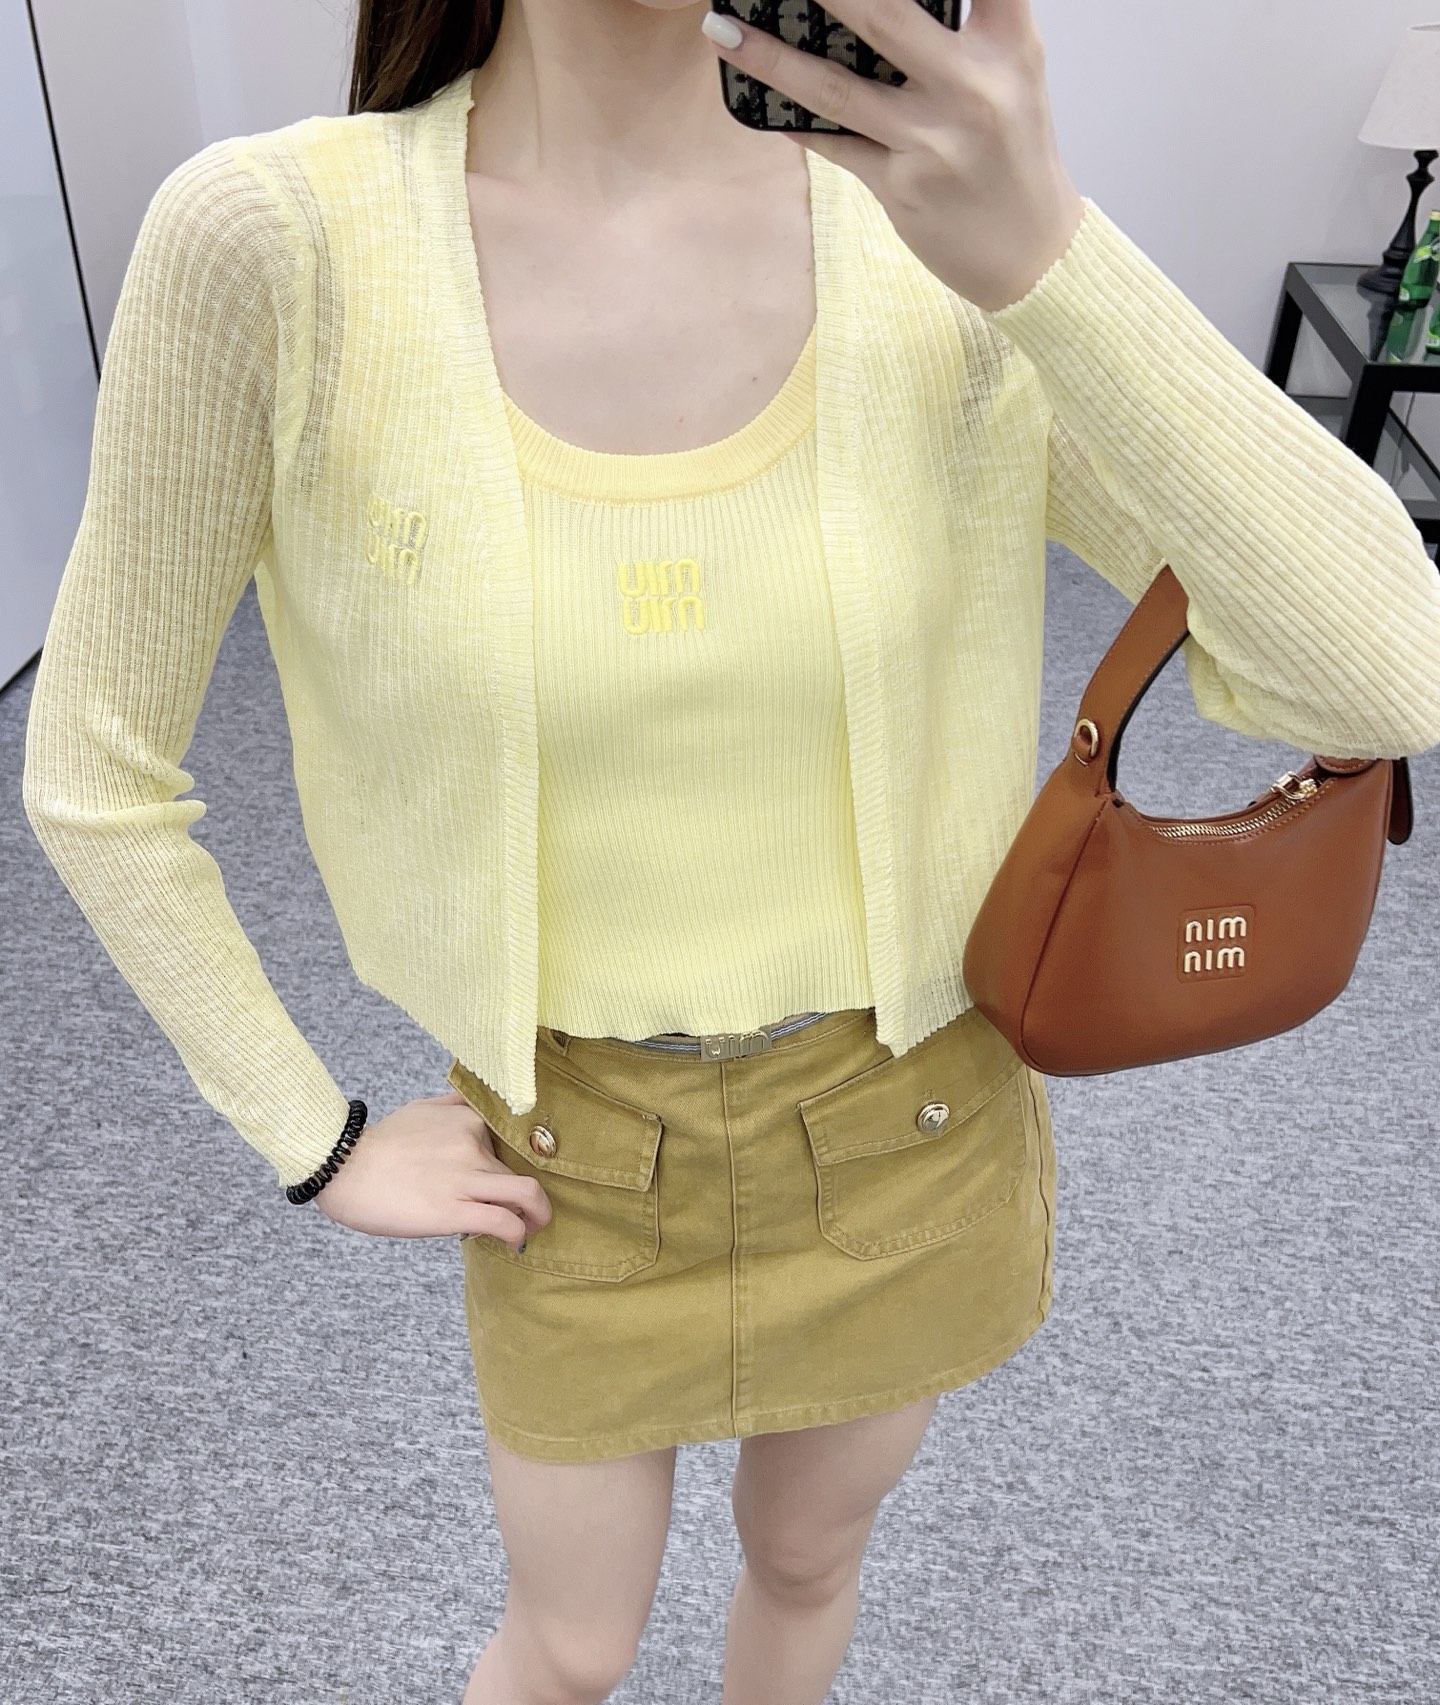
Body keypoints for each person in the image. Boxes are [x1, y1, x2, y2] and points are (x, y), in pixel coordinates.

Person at [22, 0, 1440, 1701]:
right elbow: (97, 771)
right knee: (568, 1644)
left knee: (810, 1555)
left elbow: (1387, 670)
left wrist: (1048, 256)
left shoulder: (932, 237)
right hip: (570, 1160)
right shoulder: (280, 246)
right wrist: (309, 1134)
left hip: (911, 1121)